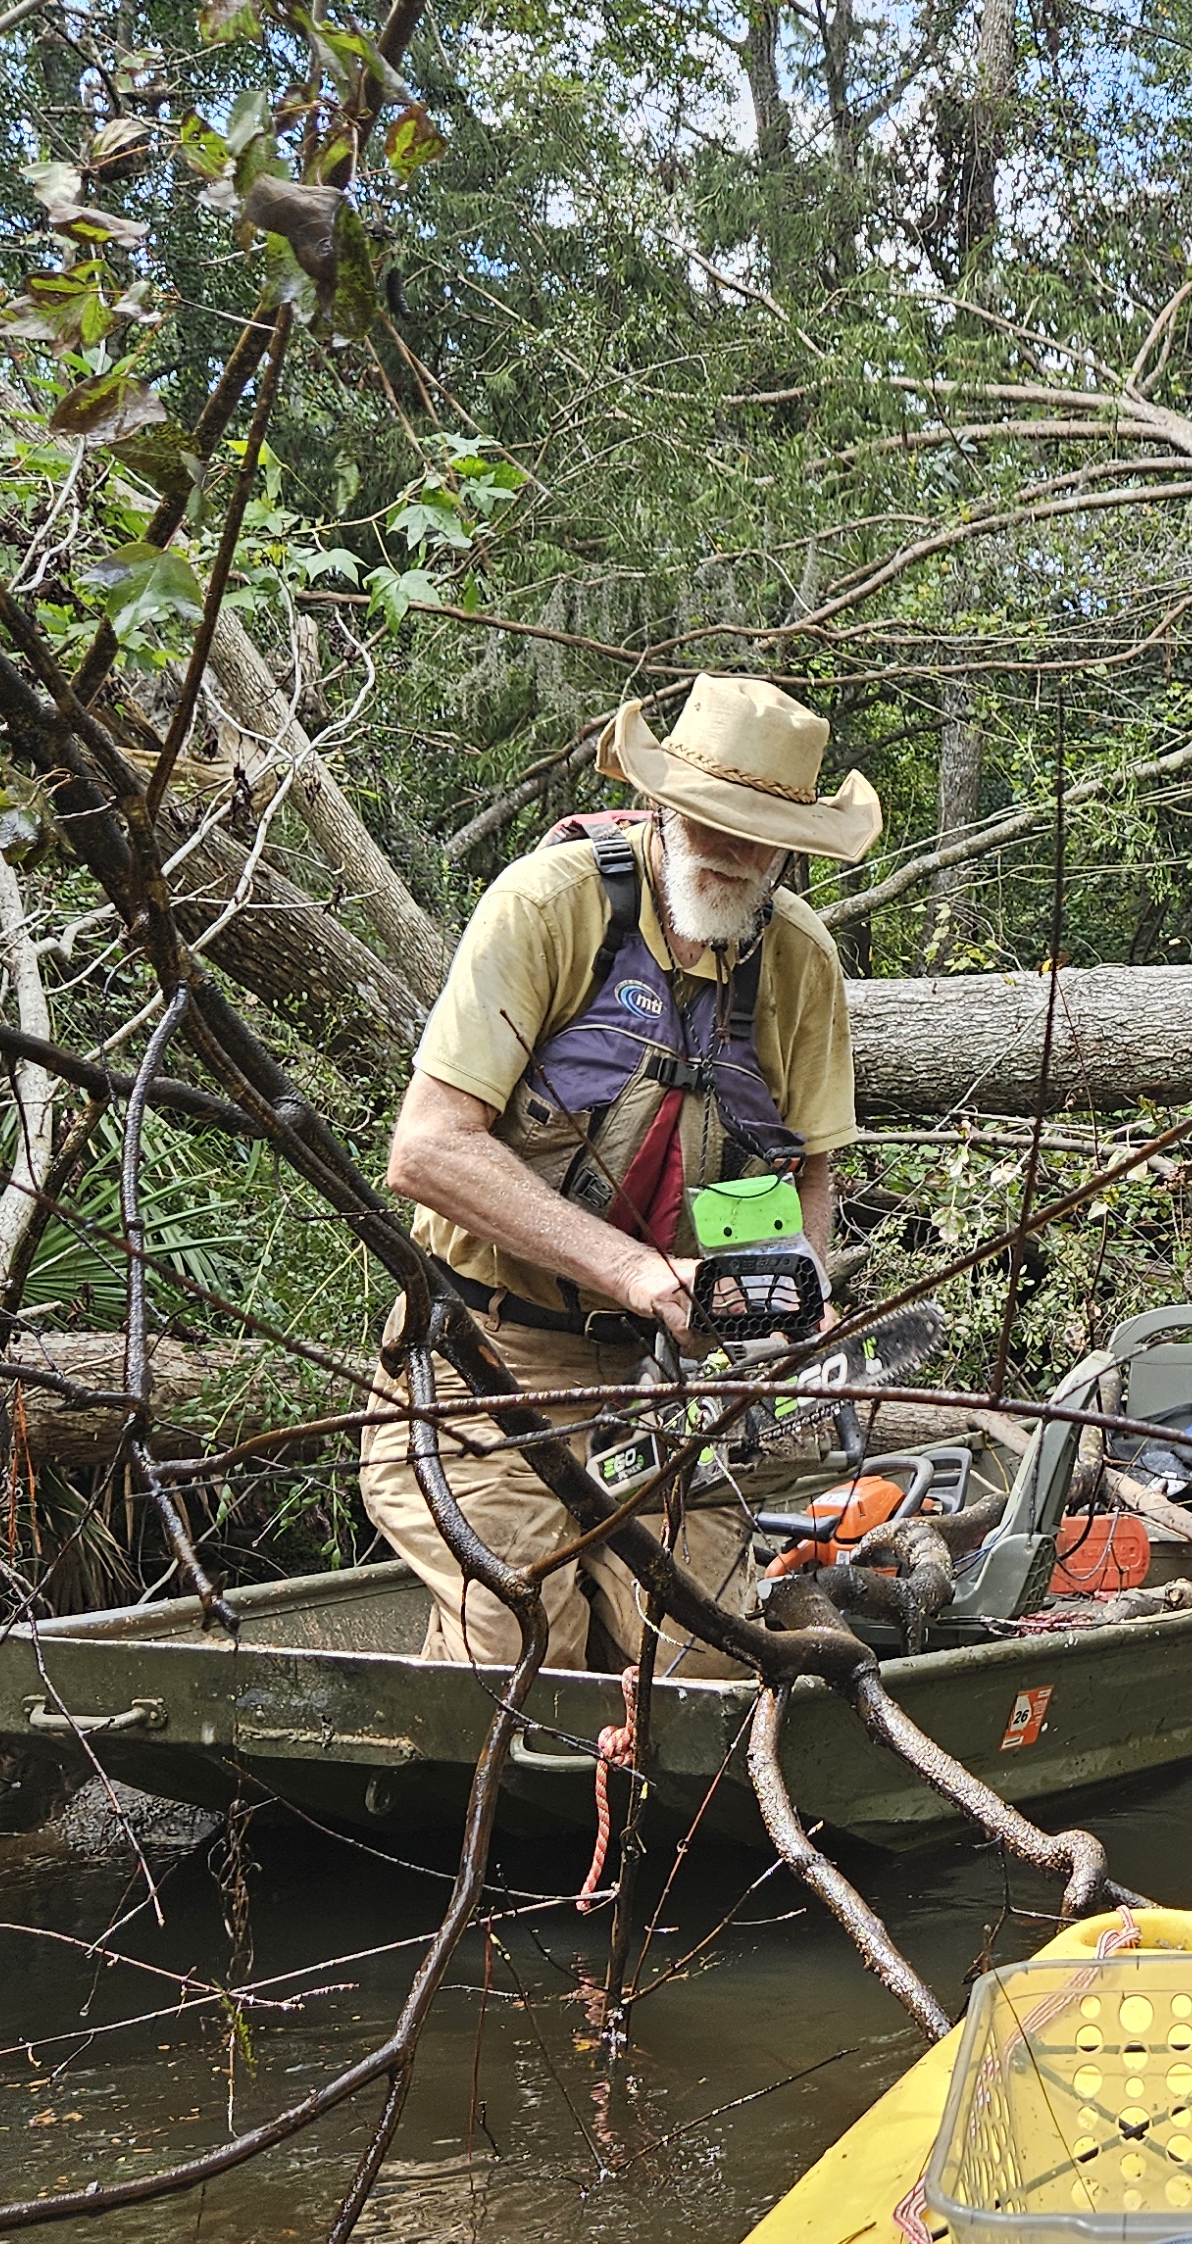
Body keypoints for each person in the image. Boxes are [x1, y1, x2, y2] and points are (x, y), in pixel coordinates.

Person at [360, 676, 882, 1671]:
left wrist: (773, 1300)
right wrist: (637, 1271)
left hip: (661, 1382)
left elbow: (780, 1163)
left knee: (709, 1659)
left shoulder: (797, 964)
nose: (729, 850)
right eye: (710, 820)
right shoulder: (552, 907)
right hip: (490, 1358)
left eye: (757, 833)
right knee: (520, 1639)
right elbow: (426, 1148)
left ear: (792, 844)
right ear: (657, 799)